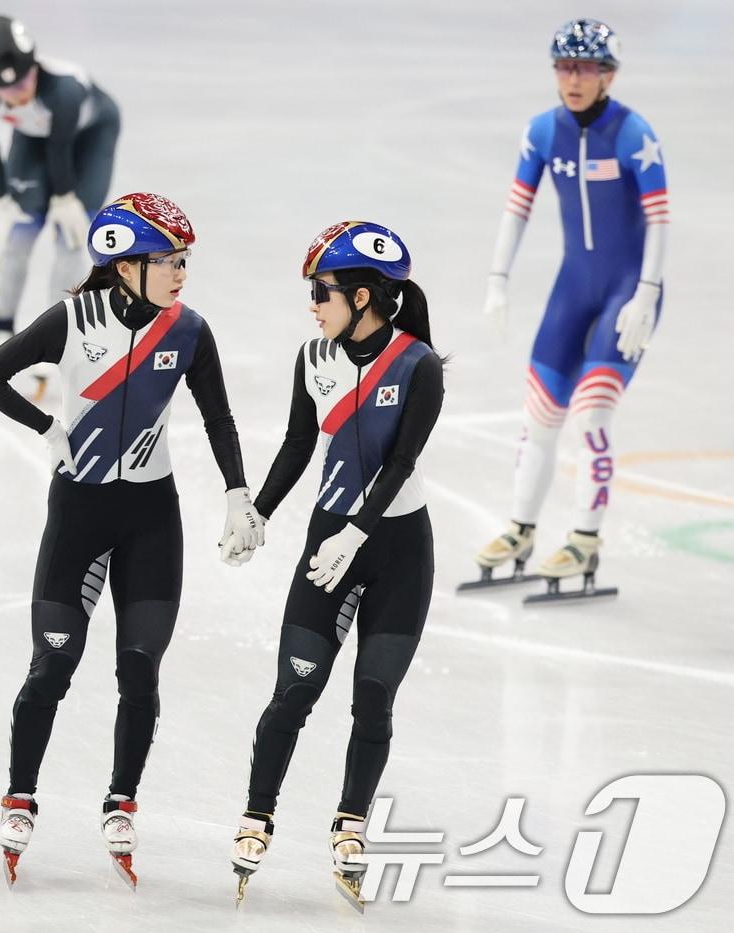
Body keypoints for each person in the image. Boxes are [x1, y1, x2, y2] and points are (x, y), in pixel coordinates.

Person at [0, 192, 263, 887]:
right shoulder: (72, 320)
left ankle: (121, 801)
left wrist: (237, 492)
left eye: (184, 259)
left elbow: (219, 416)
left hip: (151, 518)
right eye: (166, 259)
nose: (180, 271)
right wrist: (49, 430)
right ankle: (20, 796)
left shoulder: (188, 329)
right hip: (80, 512)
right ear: (124, 265)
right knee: (53, 665)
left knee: (140, 670)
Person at [225, 222, 444, 911]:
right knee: (295, 688)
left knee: (373, 696)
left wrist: (357, 530)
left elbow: (402, 461)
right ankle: (258, 813)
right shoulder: (313, 356)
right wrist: (256, 511)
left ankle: (350, 823)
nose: (312, 304)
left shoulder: (418, 364)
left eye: (321, 291)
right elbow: (297, 440)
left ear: (363, 294)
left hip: (396, 551)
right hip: (328, 544)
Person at [472, 19, 666, 595]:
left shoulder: (635, 134)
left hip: (626, 292)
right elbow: (517, 210)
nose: (573, 79)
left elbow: (658, 218)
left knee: (592, 414)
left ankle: (584, 539)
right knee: (539, 415)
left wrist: (648, 293)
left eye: (585, 68)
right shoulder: (542, 132)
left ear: (607, 76)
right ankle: (521, 530)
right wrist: (496, 281)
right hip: (573, 290)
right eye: (564, 67)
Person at [0, 13, 121, 392]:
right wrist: (0, 197)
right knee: (20, 235)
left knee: (71, 238)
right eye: (9, 92)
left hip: (88, 139)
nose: (22, 95)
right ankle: (1, 328)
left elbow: (61, 149)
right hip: (32, 137)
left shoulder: (63, 89)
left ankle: (54, 333)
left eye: (28, 80)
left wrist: (66, 198)